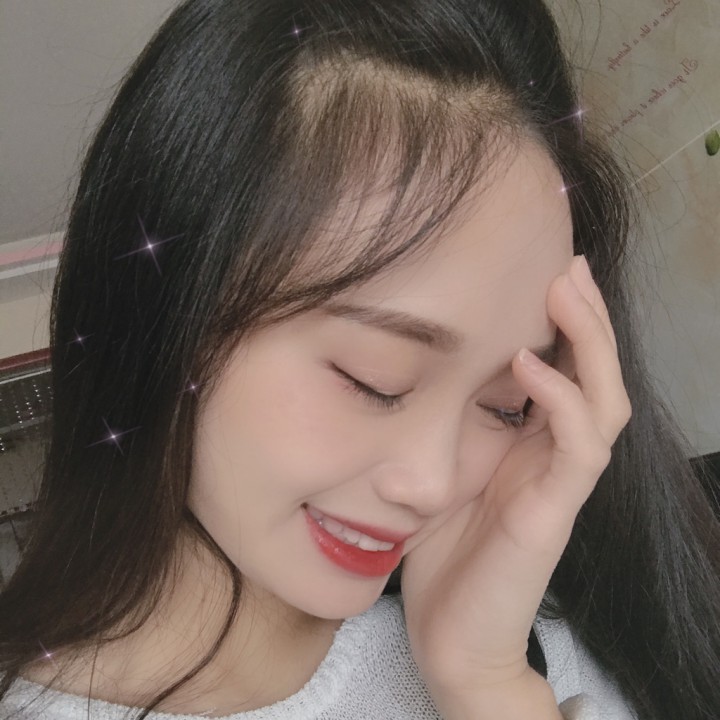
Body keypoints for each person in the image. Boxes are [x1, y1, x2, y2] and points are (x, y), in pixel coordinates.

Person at [1, 0, 718, 718]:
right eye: (374, 380)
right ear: (165, 311)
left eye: (508, 406)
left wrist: (484, 682)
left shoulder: (529, 603)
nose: (433, 485)